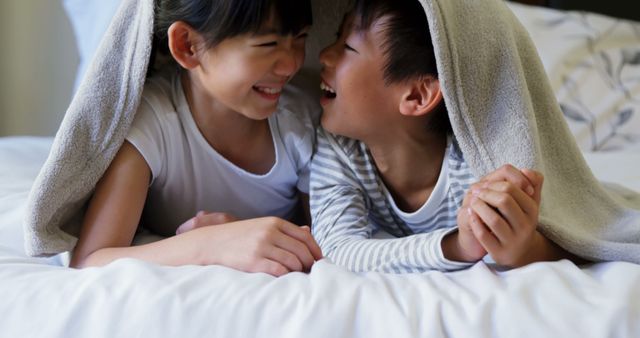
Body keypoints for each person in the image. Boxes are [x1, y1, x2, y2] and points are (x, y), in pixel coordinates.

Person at [310, 0, 580, 273]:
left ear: (418, 95)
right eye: (337, 38)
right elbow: (337, 249)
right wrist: (458, 247)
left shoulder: (479, 169)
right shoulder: (339, 147)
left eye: (347, 47)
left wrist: (525, 247)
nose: (324, 55)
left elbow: (574, 239)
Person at [70, 0, 323, 276]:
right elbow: (90, 260)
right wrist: (210, 245)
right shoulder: (152, 122)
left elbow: (331, 246)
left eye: (300, 37)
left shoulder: (303, 122)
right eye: (268, 44)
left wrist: (239, 234)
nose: (290, 65)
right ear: (187, 46)